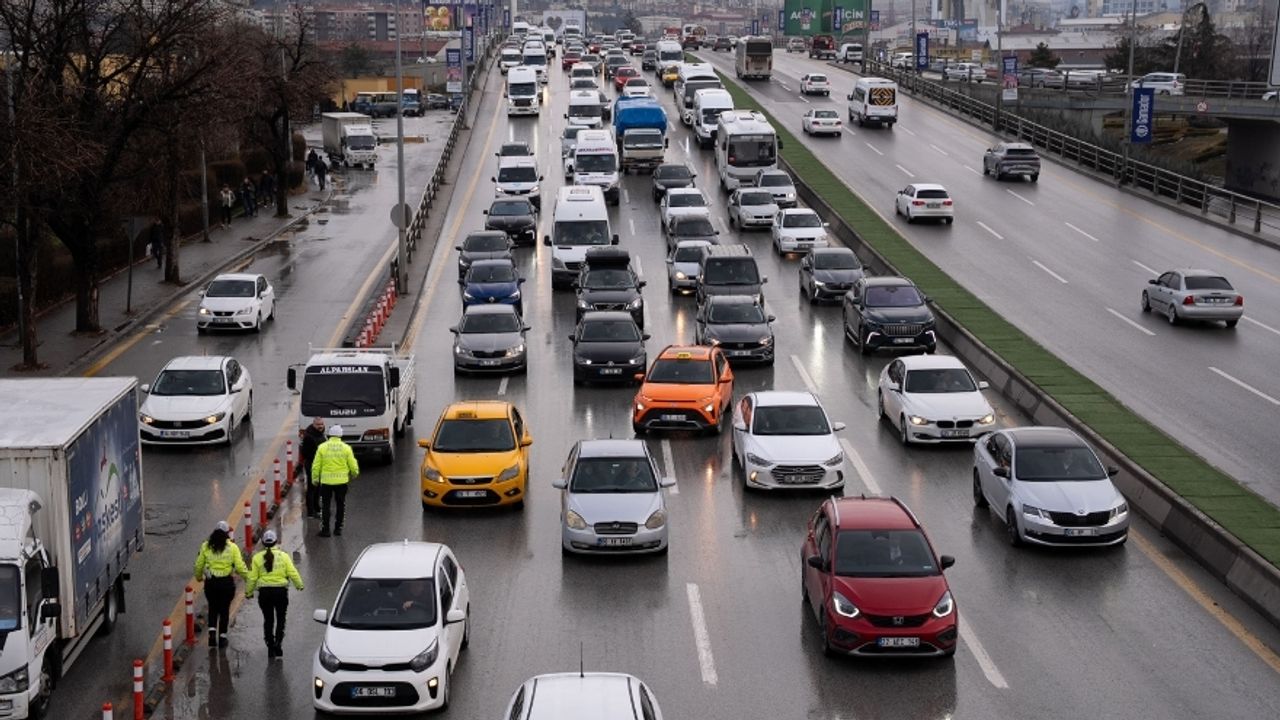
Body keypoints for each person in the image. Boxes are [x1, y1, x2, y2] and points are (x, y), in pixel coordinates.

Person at [244, 529, 304, 659]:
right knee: (281, 618)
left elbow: (252, 578)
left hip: (265, 594)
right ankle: (278, 643)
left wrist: (248, 592)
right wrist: (299, 585)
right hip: (281, 592)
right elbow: (292, 572)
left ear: (263, 543)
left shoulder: (257, 558)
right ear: (276, 542)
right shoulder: (284, 556)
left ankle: (270, 645)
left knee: (268, 619)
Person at [193, 521, 248, 648]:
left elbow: (198, 564)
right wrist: (248, 579)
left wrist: (199, 577)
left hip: (211, 584)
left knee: (213, 607)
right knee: (224, 610)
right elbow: (240, 567)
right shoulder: (232, 547)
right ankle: (222, 638)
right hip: (226, 584)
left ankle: (212, 634)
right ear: (227, 534)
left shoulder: (206, 546)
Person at [312, 425, 358, 537]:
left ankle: (326, 530)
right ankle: (338, 529)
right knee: (340, 505)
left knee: (326, 506)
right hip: (342, 482)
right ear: (341, 435)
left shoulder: (322, 447)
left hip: (326, 482)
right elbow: (353, 464)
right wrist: (354, 474)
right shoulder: (346, 448)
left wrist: (315, 479)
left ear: (329, 435)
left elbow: (316, 465)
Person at [298, 417, 327, 518]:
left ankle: (317, 507)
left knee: (318, 487)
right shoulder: (309, 437)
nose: (320, 426)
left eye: (322, 424)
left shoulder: (320, 434)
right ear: (314, 425)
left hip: (320, 465)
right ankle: (311, 511)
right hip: (312, 465)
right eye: (318, 425)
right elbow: (305, 452)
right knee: (312, 488)